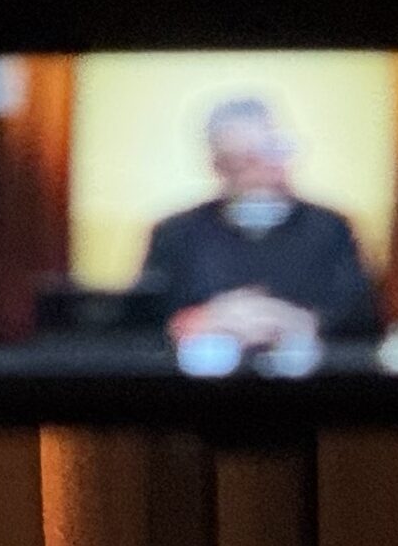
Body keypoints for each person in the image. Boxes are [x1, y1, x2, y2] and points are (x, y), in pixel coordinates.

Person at [132, 97, 381, 355]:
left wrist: (296, 321)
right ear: (217, 166)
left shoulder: (330, 229)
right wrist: (206, 319)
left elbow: (361, 319)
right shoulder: (176, 233)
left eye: (269, 155)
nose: (261, 173)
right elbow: (143, 323)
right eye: (242, 163)